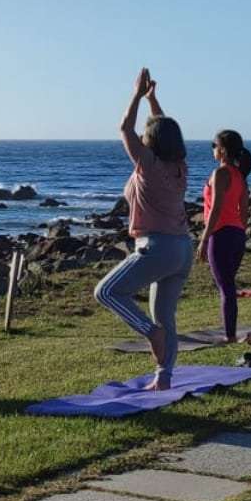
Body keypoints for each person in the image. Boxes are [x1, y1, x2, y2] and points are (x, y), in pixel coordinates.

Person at [95, 68, 193, 390]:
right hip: (181, 250)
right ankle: (163, 378)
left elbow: (125, 128)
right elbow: (164, 129)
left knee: (107, 292)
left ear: (150, 143)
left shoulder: (148, 166)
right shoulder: (179, 167)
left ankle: (149, 333)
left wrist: (137, 94)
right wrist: (153, 101)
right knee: (166, 316)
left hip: (157, 247)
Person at [196, 129, 251, 341]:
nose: (212, 149)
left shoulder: (220, 173)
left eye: (214, 145)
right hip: (237, 234)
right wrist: (240, 231)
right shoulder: (240, 176)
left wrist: (204, 238)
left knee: (226, 287)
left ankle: (229, 336)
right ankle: (229, 331)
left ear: (222, 150)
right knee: (227, 285)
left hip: (221, 235)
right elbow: (244, 210)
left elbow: (216, 208)